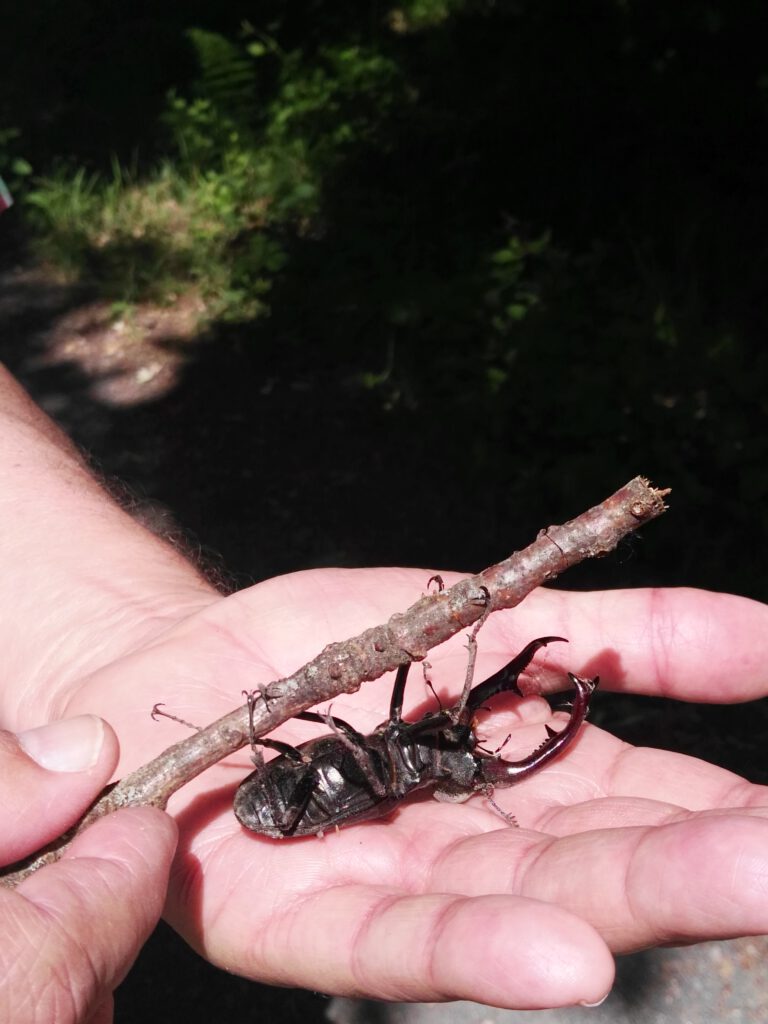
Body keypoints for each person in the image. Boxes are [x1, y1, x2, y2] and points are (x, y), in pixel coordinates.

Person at [2, 362, 768, 1023]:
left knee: (382, 745)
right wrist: (456, 656)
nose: (462, 741)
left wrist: (114, 640)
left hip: (303, 793)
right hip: (297, 788)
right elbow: (406, 724)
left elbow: (406, 752)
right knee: (386, 737)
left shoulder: (405, 770)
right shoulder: (401, 750)